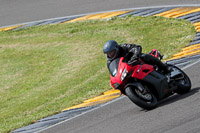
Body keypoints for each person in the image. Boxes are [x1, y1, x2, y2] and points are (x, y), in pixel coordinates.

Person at [103, 40, 171, 74]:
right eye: (108, 53)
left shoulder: (123, 47)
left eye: (111, 52)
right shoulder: (109, 63)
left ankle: (165, 68)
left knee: (143, 56)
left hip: (136, 61)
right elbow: (114, 73)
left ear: (116, 49)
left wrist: (134, 57)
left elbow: (136, 47)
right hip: (128, 70)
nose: (110, 55)